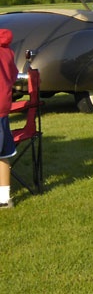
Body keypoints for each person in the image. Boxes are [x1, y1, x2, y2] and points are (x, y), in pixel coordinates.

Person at [1, 28, 18, 209]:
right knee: (4, 154)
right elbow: (13, 77)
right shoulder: (8, 51)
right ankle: (4, 198)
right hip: (3, 108)